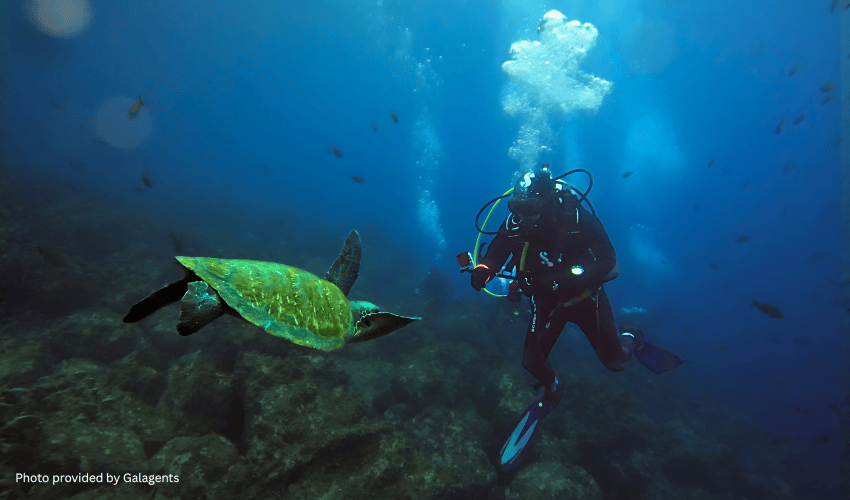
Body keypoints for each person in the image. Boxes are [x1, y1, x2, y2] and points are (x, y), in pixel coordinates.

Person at [470, 166, 684, 472]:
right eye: (518, 207)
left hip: (584, 300)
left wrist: (566, 279)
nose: (524, 215)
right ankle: (554, 390)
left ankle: (631, 337)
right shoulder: (514, 223)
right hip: (545, 304)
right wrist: (484, 269)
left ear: (546, 201)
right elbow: (497, 253)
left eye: (530, 208)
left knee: (615, 363)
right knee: (531, 361)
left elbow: (610, 261)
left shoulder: (575, 219)